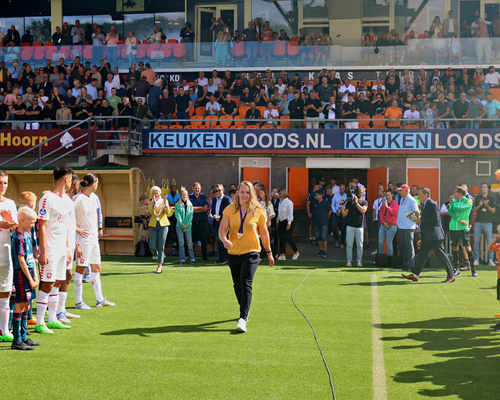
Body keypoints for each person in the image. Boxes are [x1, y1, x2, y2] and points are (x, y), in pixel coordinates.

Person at [218, 181, 274, 333]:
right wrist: (225, 240)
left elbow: (264, 233)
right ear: (237, 194)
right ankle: (245, 309)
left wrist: (269, 253)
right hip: (233, 253)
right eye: (242, 192)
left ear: (252, 194)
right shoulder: (230, 209)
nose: (244, 195)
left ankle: (243, 319)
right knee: (237, 286)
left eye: (247, 192)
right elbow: (222, 229)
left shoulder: (259, 211)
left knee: (245, 284)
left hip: (251, 253)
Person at [36, 166, 81, 334]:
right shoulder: (47, 198)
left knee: (56, 284)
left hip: (63, 249)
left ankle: (53, 318)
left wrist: (70, 249)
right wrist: (44, 251)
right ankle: (40, 322)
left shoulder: (67, 201)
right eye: (71, 179)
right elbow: (42, 226)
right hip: (51, 249)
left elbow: (68, 227)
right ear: (66, 179)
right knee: (47, 284)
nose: (72, 182)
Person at [72, 174, 115, 309]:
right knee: (81, 269)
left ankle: (100, 299)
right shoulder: (77, 199)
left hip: (93, 239)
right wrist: (78, 229)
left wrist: (98, 229)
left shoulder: (94, 198)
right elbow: (66, 217)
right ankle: (79, 301)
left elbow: (97, 215)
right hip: (83, 240)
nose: (97, 184)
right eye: (96, 182)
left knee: (97, 268)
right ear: (92, 184)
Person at [402, 187, 455, 283]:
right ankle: (415, 274)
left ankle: (451, 275)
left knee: (441, 255)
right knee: (422, 255)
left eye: (419, 194)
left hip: (435, 236)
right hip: (428, 235)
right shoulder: (426, 204)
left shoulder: (432, 204)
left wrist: (420, 221)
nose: (418, 196)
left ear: (425, 195)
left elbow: (435, 220)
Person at [10, 207, 41, 350]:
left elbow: (32, 260)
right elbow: (21, 260)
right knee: (20, 305)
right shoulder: (18, 238)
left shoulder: (27, 236)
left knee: (27, 305)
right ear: (22, 220)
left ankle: (23, 337)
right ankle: (16, 340)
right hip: (22, 275)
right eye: (32, 222)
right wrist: (29, 278)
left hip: (29, 275)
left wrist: (35, 277)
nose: (33, 225)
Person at [0, 170, 19, 342]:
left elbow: (17, 227)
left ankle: (4, 330)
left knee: (5, 292)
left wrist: (11, 224)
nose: (3, 186)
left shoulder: (11, 203)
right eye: (0, 182)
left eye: (5, 183)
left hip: (5, 255)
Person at [449, 185, 474, 277]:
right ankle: (456, 269)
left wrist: (452, 206)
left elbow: (460, 208)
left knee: (467, 247)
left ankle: (473, 269)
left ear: (460, 193)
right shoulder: (454, 201)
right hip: (453, 228)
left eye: (455, 193)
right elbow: (450, 212)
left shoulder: (469, 200)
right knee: (455, 248)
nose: (453, 194)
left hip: (463, 228)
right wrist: (459, 220)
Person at [148, 186, 173, 274]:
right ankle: (157, 255)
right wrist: (154, 204)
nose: (156, 194)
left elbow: (168, 214)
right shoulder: (151, 202)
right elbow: (151, 212)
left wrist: (166, 205)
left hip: (163, 225)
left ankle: (159, 266)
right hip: (154, 225)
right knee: (152, 245)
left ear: (160, 193)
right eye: (154, 193)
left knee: (161, 246)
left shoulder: (164, 201)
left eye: (157, 192)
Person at [341, 186, 368, 267]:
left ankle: (359, 261)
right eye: (360, 191)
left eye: (362, 192)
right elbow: (344, 214)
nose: (361, 193)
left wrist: (356, 203)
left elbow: (363, 210)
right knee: (349, 245)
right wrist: (342, 206)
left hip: (359, 226)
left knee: (360, 245)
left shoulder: (364, 202)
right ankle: (349, 261)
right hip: (350, 226)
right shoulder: (349, 203)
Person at [473, 183, 496, 268]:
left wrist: (487, 206)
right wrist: (480, 204)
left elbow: (493, 211)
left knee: (489, 242)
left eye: (485, 187)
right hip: (478, 222)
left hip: (488, 222)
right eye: (482, 187)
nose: (483, 189)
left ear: (488, 189)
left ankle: (490, 260)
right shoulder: (478, 198)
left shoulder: (491, 198)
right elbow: (474, 209)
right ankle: (476, 259)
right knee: (476, 242)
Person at [396, 184, 419, 270]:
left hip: (409, 226)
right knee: (403, 246)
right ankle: (405, 263)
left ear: (406, 191)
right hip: (401, 226)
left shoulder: (412, 200)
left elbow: (416, 212)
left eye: (401, 190)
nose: (400, 192)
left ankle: (411, 264)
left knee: (409, 246)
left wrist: (416, 222)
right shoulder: (402, 199)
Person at [276, 190, 299, 261]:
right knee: (282, 238)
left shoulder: (289, 202)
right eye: (279, 194)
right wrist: (277, 220)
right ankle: (282, 254)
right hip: (281, 221)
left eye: (281, 194)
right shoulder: (280, 202)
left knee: (289, 237)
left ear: (285, 194)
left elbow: (290, 213)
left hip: (288, 221)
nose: (280, 196)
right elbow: (279, 212)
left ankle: (296, 252)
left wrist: (289, 223)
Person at [174, 188, 195, 265]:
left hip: (188, 227)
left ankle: (192, 258)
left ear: (187, 196)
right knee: (181, 243)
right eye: (183, 195)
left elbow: (191, 216)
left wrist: (187, 224)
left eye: (185, 195)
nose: (184, 196)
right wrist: (182, 224)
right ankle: (182, 259)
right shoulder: (177, 205)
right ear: (181, 196)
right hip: (180, 226)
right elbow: (177, 215)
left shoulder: (190, 205)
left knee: (190, 243)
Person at [212, 184, 232, 265]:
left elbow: (230, 211)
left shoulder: (227, 199)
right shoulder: (214, 200)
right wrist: (213, 215)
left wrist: (220, 216)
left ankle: (225, 257)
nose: (217, 192)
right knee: (218, 240)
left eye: (219, 190)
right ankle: (221, 257)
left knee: (223, 240)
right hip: (216, 222)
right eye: (216, 191)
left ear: (223, 190)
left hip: (224, 222)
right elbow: (213, 210)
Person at [190, 182, 209, 261]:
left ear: (200, 189)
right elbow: (189, 209)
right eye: (196, 188)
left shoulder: (204, 197)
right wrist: (199, 208)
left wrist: (194, 209)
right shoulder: (189, 197)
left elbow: (205, 209)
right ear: (193, 188)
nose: (197, 189)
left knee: (203, 239)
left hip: (202, 221)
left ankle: (204, 257)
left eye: (198, 188)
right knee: (192, 239)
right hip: (192, 221)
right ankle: (191, 256)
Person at [378, 189, 399, 257]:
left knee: (389, 243)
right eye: (386, 195)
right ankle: (380, 257)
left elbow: (394, 213)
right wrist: (383, 222)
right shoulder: (384, 203)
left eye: (389, 195)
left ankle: (390, 258)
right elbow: (381, 213)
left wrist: (387, 207)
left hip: (391, 225)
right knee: (380, 242)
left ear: (392, 195)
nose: (387, 196)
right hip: (383, 225)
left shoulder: (395, 203)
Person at [314, 190, 332, 258]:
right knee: (318, 237)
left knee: (324, 237)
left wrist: (327, 218)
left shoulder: (326, 202)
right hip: (316, 222)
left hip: (324, 222)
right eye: (316, 195)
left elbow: (330, 211)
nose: (316, 196)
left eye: (318, 195)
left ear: (321, 195)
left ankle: (325, 250)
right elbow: (314, 211)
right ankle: (321, 249)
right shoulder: (315, 203)